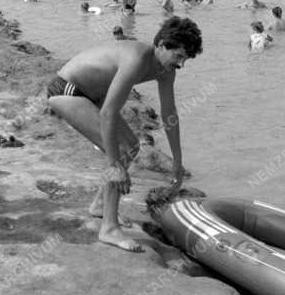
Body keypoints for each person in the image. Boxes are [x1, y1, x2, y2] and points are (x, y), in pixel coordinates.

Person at [47, 17, 202, 252]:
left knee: (131, 147)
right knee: (118, 154)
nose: (181, 64)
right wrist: (113, 165)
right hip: (69, 89)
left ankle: (100, 205)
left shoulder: (167, 70)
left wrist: (178, 163)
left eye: (186, 59)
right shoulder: (137, 58)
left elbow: (170, 115)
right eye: (178, 56)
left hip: (94, 96)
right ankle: (109, 228)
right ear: (161, 45)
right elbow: (108, 113)